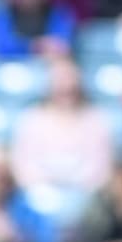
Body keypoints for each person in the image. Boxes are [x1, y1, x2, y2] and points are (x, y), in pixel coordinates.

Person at [12, 55, 113, 194]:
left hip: (85, 197)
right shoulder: (31, 119)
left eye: (70, 78)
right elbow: (23, 168)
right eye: (60, 79)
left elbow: (100, 171)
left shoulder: (96, 119)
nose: (67, 86)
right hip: (38, 196)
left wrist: (76, 187)